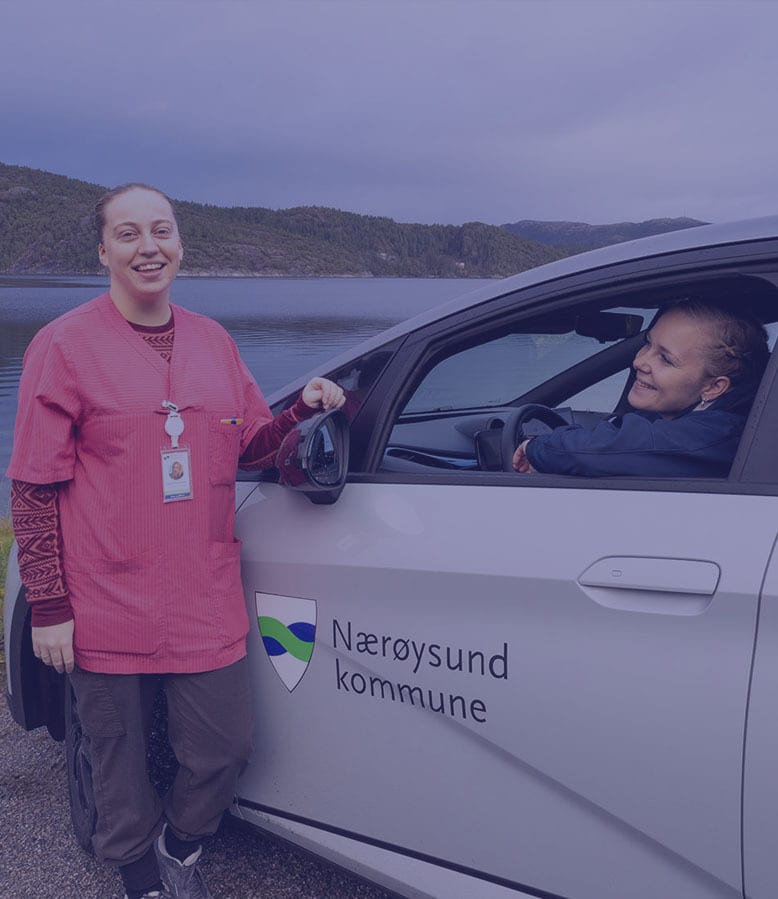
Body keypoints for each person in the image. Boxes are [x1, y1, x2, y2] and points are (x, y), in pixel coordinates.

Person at [6, 183, 345, 899]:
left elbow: (249, 445)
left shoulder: (214, 343)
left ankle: (180, 843)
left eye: (161, 230)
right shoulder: (62, 345)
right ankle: (140, 876)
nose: (148, 247)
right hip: (102, 595)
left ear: (181, 245)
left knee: (225, 746)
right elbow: (33, 487)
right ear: (103, 252)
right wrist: (50, 604)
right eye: (128, 234)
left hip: (200, 592)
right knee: (114, 754)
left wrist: (299, 413)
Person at [512, 300, 770, 478]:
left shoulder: (721, 435)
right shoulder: (691, 415)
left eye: (665, 359)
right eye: (647, 344)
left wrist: (537, 449)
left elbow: (614, 448)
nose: (639, 361)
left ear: (714, 387)